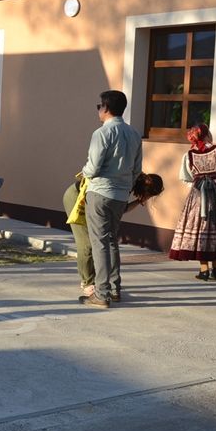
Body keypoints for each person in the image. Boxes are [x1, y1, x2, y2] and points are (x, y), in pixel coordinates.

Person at [81, 90, 143, 308]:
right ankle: (115, 289)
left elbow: (93, 167)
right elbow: (137, 169)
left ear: (106, 108)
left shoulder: (101, 133)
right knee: (111, 241)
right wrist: (125, 186)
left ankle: (102, 293)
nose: (98, 110)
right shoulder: (134, 133)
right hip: (121, 194)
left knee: (99, 243)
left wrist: (84, 172)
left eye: (99, 106)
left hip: (100, 192)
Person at [65, 173, 164, 299]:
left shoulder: (130, 183)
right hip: (77, 198)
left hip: (96, 202)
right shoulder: (127, 180)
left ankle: (107, 285)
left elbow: (122, 208)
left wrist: (138, 201)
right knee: (86, 243)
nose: (146, 197)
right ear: (145, 188)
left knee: (106, 241)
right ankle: (88, 282)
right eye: (147, 195)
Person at [168, 123, 216, 280]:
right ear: (207, 134)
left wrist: (198, 184)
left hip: (199, 191)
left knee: (201, 226)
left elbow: (186, 177)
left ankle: (204, 269)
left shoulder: (189, 155)